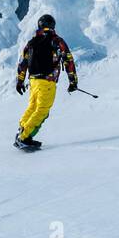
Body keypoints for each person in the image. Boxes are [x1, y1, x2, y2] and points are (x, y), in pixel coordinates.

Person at [14, 14, 77, 149]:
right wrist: (73, 81)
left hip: (33, 81)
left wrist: (20, 81)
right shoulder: (57, 41)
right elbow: (68, 60)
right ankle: (25, 137)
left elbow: (23, 63)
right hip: (47, 81)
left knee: (32, 107)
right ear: (53, 26)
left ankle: (22, 131)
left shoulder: (32, 42)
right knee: (42, 110)